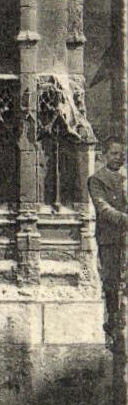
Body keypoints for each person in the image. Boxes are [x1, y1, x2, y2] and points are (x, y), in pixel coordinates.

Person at [88, 137, 127, 340]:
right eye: (114, 153)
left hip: (126, 237)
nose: (118, 158)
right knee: (111, 281)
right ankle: (112, 321)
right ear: (104, 155)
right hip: (109, 238)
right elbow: (102, 208)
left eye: (122, 154)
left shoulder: (125, 178)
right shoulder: (97, 180)